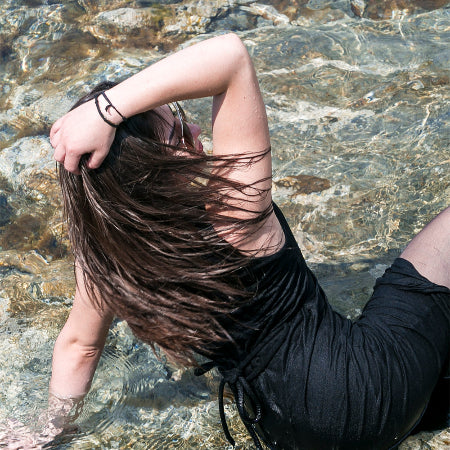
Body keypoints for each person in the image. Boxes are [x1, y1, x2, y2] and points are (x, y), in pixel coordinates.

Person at [7, 33, 450, 449]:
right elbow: (231, 57)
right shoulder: (234, 213)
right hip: (373, 391)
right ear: (154, 164)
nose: (198, 131)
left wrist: (49, 431)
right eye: (178, 127)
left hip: (284, 431)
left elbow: (79, 346)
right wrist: (106, 110)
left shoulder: (114, 261)